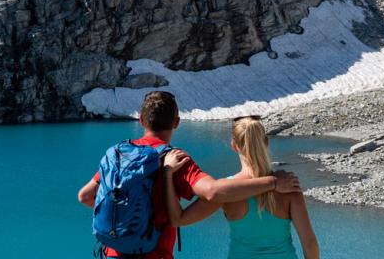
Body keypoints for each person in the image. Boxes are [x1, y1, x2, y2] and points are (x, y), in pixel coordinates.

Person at [78, 92, 302, 259]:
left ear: (142, 121)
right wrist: (273, 182)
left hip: (113, 253)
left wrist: (123, 218)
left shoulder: (118, 153)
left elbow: (86, 197)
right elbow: (214, 192)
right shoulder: (175, 159)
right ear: (176, 123)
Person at [173, 116, 320, 259]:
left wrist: (168, 176)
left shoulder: (226, 191)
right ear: (266, 142)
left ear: (234, 146)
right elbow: (309, 243)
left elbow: (180, 219)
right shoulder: (288, 186)